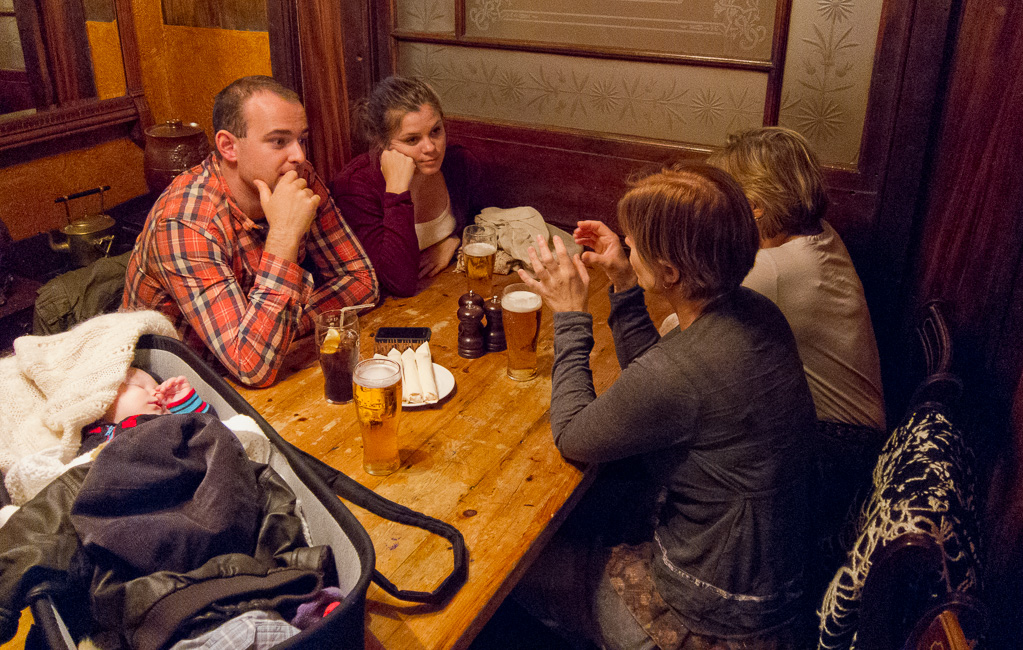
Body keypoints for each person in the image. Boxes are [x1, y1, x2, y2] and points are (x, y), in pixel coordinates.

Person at [515, 165, 817, 649]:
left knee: (512, 572)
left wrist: (572, 315)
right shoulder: (756, 311)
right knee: (587, 511)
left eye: (636, 244)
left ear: (671, 273)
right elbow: (660, 391)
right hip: (769, 576)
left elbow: (574, 436)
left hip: (714, 614)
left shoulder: (682, 372)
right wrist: (624, 282)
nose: (626, 243)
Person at [124, 76, 378, 387]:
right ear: (228, 146)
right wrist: (284, 236)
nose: (299, 155)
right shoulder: (186, 222)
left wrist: (277, 328)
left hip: (240, 370)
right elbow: (252, 366)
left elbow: (362, 280)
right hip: (166, 391)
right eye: (279, 141)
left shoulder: (298, 178)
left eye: (301, 138)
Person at [330, 76, 483, 297]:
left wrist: (454, 242)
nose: (431, 147)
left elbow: (481, 221)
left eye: (436, 131)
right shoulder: (355, 186)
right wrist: (396, 189)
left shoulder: (459, 163)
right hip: (386, 309)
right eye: (412, 140)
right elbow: (399, 283)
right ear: (383, 143)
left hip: (447, 291)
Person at [78, 367, 214, 455]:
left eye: (157, 387)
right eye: (139, 386)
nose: (157, 393)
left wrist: (185, 404)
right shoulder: (95, 435)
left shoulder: (171, 421)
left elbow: (210, 435)